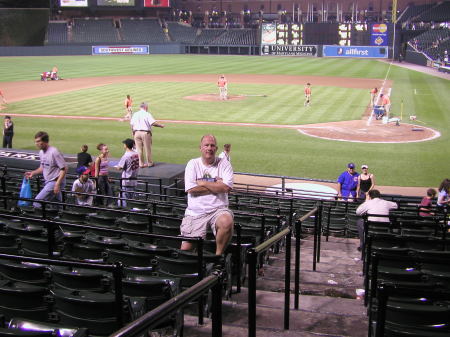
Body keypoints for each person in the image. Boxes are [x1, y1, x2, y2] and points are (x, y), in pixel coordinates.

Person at [180, 134, 234, 256]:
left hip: (218, 210)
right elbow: (191, 189)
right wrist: (216, 184)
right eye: (206, 145)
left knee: (226, 221)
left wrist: (204, 182)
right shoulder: (192, 164)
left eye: (212, 145)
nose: (209, 148)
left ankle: (217, 257)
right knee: (185, 252)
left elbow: (226, 187)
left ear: (216, 148)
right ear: (200, 148)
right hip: (195, 212)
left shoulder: (224, 164)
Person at [24, 131, 66, 208]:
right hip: (48, 181)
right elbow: (42, 167)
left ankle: (40, 219)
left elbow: (64, 169)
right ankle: (58, 216)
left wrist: (57, 184)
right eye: (35, 142)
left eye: (38, 141)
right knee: (57, 203)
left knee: (37, 202)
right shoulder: (41, 152)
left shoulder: (54, 152)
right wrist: (33, 173)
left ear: (45, 141)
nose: (36, 143)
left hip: (55, 181)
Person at [130, 102, 165, 168]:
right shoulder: (147, 114)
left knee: (139, 149)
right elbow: (153, 123)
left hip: (136, 133)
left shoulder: (135, 114)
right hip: (145, 133)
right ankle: (149, 163)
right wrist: (161, 125)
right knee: (147, 148)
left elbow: (131, 124)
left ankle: (141, 164)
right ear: (145, 107)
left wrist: (133, 132)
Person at [116, 138, 139, 207]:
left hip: (127, 181)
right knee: (131, 200)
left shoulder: (126, 156)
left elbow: (119, 167)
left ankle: (124, 214)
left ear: (126, 145)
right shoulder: (136, 153)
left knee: (122, 200)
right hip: (134, 180)